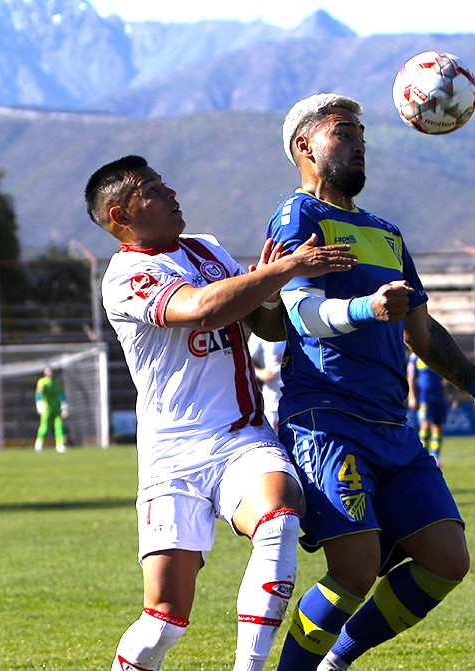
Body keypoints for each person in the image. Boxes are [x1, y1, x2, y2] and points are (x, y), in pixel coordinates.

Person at [267, 93, 475, 671]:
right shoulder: (297, 217)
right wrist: (364, 310)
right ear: (305, 145)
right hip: (327, 419)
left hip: (393, 427)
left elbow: (423, 335)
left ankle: (335, 663)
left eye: (362, 133)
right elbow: (299, 315)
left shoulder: (386, 233)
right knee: (353, 572)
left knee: (445, 560)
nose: (359, 142)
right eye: (343, 131)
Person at [84, 154, 358, 671]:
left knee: (278, 520)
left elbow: (265, 327)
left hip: (243, 438)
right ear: (120, 215)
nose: (171, 194)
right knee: (163, 620)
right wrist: (286, 268)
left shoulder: (206, 248)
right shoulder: (126, 275)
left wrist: (270, 289)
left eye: (167, 183)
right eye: (153, 190)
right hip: (173, 456)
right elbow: (203, 308)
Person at [407, 352, 456, 468]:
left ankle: (436, 457)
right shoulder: (415, 357)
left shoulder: (438, 353)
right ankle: (422, 456)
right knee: (425, 426)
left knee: (438, 427)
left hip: (439, 396)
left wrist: (453, 396)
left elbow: (449, 375)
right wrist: (412, 396)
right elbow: (411, 377)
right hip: (424, 397)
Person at [248, 332, 287, 432]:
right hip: (272, 396)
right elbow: (247, 358)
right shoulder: (259, 333)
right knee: (273, 431)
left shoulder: (294, 327)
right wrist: (261, 373)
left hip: (293, 393)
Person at [34, 366, 69, 452]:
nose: (50, 373)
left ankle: (60, 445)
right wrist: (39, 404)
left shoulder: (57, 382)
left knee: (59, 426)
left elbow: (61, 395)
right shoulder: (42, 382)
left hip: (57, 408)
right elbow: (39, 394)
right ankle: (39, 443)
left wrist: (64, 405)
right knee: (44, 426)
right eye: (48, 371)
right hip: (46, 409)